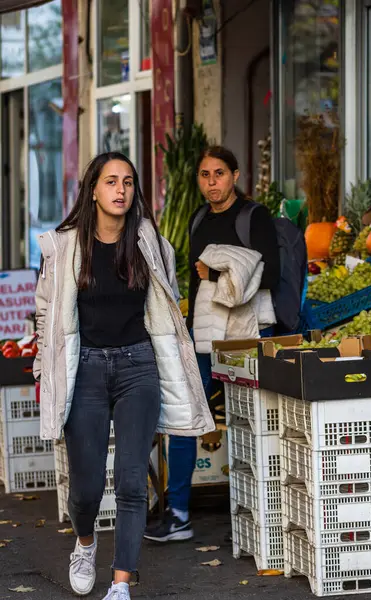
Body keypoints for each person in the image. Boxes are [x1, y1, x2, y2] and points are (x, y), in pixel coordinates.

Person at [33, 151, 214, 599]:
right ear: (93, 189)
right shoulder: (65, 246)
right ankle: (86, 542)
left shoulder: (149, 242)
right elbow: (46, 313)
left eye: (128, 182)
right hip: (87, 371)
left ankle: (120, 583)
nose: (121, 190)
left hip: (138, 368)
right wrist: (45, 366)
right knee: (86, 488)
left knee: (133, 480)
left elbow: (167, 305)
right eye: (111, 181)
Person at [144, 146, 281, 543]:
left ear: (235, 175)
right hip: (203, 337)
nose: (211, 182)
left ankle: (260, 515)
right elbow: (193, 284)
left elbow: (272, 272)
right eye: (204, 175)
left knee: (253, 421)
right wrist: (185, 331)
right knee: (186, 419)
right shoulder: (198, 218)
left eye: (218, 174)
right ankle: (179, 513)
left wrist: (219, 268)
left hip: (245, 335)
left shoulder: (254, 216)